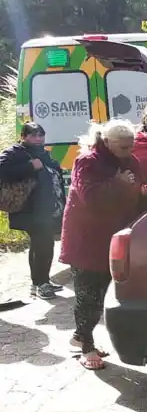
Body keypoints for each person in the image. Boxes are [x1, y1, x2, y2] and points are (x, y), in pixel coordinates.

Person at [60, 120, 142, 370]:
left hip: (114, 238)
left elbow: (135, 189)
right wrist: (117, 184)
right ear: (106, 142)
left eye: (131, 146)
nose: (129, 151)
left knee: (104, 293)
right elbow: (89, 197)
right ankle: (86, 347)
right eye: (123, 147)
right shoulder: (88, 161)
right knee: (88, 296)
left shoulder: (130, 161)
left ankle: (80, 336)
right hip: (87, 240)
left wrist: (145, 190)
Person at [0, 122, 66, 299]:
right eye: (33, 135)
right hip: (31, 210)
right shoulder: (14, 153)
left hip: (47, 209)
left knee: (46, 244)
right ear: (23, 137)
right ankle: (39, 284)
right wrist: (29, 166)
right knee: (40, 245)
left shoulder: (42, 153)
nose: (38, 139)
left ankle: (42, 280)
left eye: (41, 135)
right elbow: (2, 171)